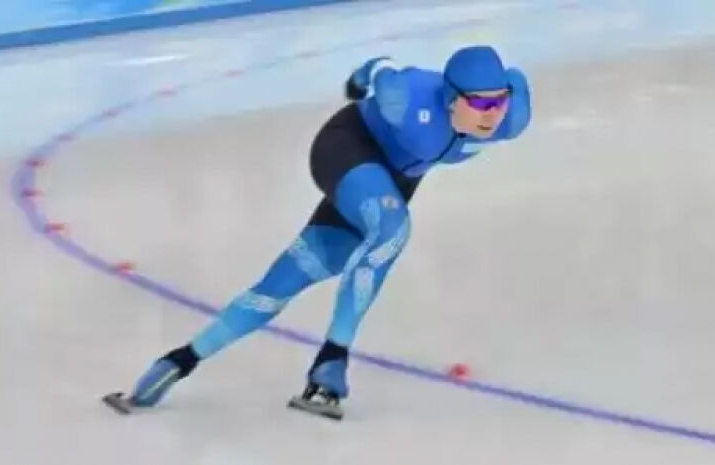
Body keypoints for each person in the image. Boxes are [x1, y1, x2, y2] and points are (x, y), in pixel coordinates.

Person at [103, 45, 531, 420]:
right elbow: (380, 67)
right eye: (480, 103)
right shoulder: (408, 98)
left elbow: (514, 84)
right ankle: (333, 359)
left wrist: (503, 98)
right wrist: (361, 77)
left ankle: (177, 362)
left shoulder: (512, 117)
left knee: (283, 281)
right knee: (393, 228)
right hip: (347, 147)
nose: (492, 114)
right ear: (451, 99)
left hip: (392, 182)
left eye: (499, 102)